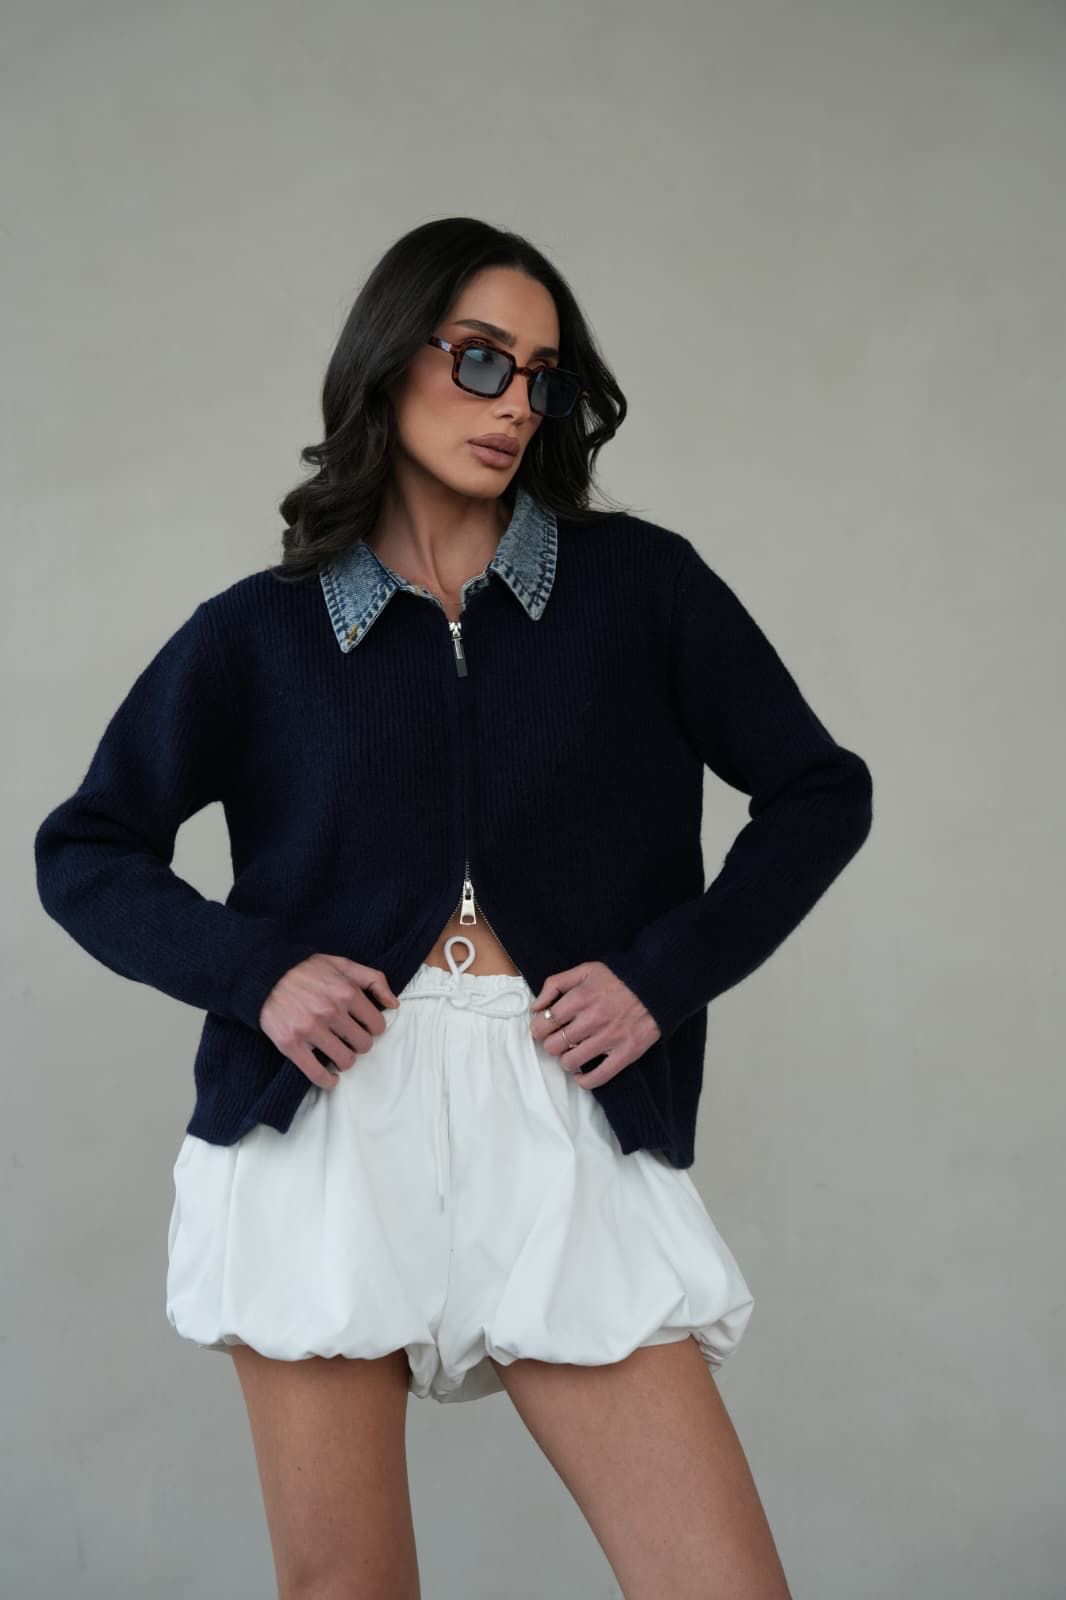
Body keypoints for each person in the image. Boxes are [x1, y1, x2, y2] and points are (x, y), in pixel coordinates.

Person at [34, 216, 873, 1599]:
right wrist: (256, 973)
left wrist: (662, 975)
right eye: (480, 359)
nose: (513, 404)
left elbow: (816, 790)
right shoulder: (262, 630)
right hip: (320, 1123)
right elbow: (86, 848)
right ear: (390, 357)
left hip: (561, 1101)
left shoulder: (640, 589)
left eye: (541, 375)